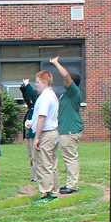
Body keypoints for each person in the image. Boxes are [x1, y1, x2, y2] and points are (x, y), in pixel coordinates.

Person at [53, 56, 83, 194]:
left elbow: (66, 76)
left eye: (67, 81)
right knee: (68, 157)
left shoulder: (73, 92)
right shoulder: (67, 94)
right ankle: (71, 183)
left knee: (70, 158)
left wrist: (55, 63)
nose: (64, 82)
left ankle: (72, 186)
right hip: (66, 129)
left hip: (70, 130)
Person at [32, 68, 61, 204]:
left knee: (44, 164)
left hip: (46, 134)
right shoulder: (52, 95)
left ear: (44, 82)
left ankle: (47, 193)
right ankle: (54, 191)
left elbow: (42, 118)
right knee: (52, 163)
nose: (35, 84)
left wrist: (37, 137)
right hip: (53, 132)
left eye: (37, 82)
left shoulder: (44, 97)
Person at [20, 78, 38, 182]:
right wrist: (23, 88)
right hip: (27, 135)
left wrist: (28, 85)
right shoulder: (31, 107)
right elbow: (27, 97)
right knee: (31, 156)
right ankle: (33, 176)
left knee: (35, 156)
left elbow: (34, 97)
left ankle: (37, 176)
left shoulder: (37, 105)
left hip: (33, 134)